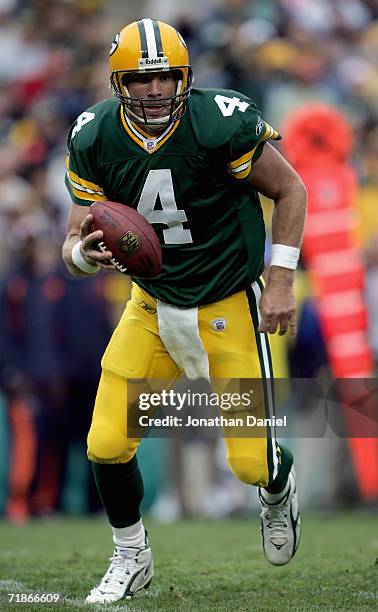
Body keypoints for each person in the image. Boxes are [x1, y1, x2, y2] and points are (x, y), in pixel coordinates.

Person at [62, 19, 307, 604]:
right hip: (151, 307)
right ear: (119, 82)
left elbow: (291, 190)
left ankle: (277, 490)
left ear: (185, 77)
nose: (154, 90)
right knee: (105, 444)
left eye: (166, 77)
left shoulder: (219, 121)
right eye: (142, 79)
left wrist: (279, 282)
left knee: (251, 465)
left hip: (230, 303)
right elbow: (75, 239)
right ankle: (131, 555)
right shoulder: (95, 135)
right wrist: (82, 255)